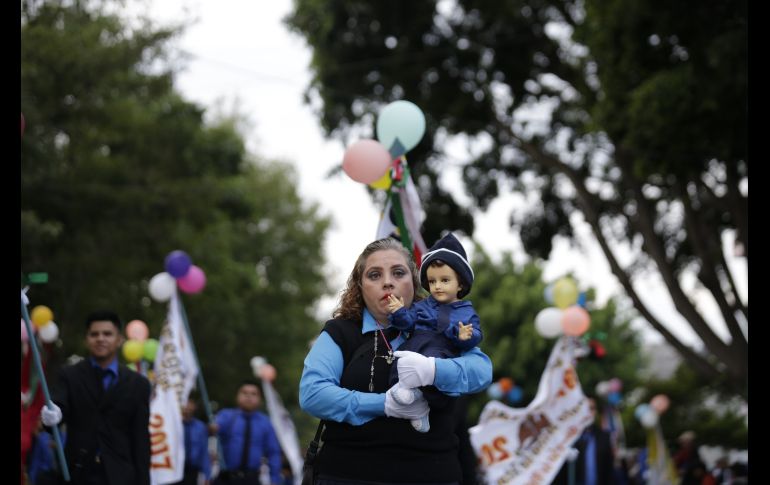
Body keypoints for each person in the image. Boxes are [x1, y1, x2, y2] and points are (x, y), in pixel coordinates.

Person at [299, 236, 493, 485]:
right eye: (374, 275)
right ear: (360, 286)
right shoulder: (341, 332)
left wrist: (433, 370)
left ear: (414, 283)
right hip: (347, 475)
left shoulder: (442, 323)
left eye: (398, 273)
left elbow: (482, 371)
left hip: (433, 474)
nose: (387, 282)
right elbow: (313, 394)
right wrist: (384, 405)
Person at [40, 310, 151, 485]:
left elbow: (141, 440)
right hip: (77, 473)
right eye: (94, 334)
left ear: (119, 339)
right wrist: (52, 414)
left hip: (120, 476)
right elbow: (57, 407)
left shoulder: (139, 384)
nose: (100, 338)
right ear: (87, 339)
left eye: (107, 334)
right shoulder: (69, 375)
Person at [386, 231, 482, 432]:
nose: (437, 286)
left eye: (445, 280)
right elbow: (409, 323)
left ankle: (422, 404)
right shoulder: (423, 306)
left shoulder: (465, 311)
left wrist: (465, 337)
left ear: (461, 283)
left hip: (440, 349)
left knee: (436, 373)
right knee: (400, 360)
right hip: (416, 344)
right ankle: (408, 396)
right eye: (432, 281)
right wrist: (399, 312)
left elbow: (475, 334)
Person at [211, 380, 282, 485]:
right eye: (244, 393)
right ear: (237, 396)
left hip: (251, 479)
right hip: (225, 478)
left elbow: (273, 453)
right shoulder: (226, 416)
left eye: (253, 394)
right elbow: (214, 428)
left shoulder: (265, 423)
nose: (249, 397)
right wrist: (212, 428)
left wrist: (275, 479)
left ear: (260, 399)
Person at [552, 397, 615, 485]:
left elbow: (609, 471)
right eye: (585, 408)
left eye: (592, 408)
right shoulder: (568, 438)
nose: (589, 412)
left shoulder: (604, 436)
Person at [170, 397, 212, 485]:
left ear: (195, 406)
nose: (187, 406)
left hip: (191, 472)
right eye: (184, 402)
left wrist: (207, 475)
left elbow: (203, 452)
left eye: (190, 403)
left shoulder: (200, 427)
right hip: (173, 471)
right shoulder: (171, 424)